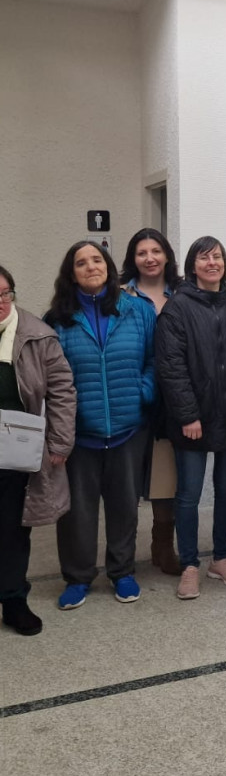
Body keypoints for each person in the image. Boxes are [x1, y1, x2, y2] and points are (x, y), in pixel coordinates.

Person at [46, 241, 156, 609]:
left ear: (108, 266)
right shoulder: (57, 320)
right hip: (80, 434)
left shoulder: (138, 310)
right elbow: (52, 379)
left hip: (129, 429)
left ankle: (122, 572)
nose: (91, 266)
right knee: (77, 512)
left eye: (97, 259)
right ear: (71, 273)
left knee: (125, 506)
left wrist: (142, 393)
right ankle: (77, 577)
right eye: (81, 262)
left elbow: (155, 361)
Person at [155, 236, 226, 600]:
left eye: (217, 257)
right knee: (189, 494)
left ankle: (223, 557)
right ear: (192, 265)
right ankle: (191, 564)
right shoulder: (177, 308)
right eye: (204, 257)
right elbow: (171, 367)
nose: (212, 262)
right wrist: (187, 414)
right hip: (192, 421)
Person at [0, 265, 76, 635]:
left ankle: (14, 599)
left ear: (13, 294)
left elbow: (62, 391)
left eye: (4, 293)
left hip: (18, 452)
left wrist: (60, 443)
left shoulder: (37, 335)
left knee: (14, 529)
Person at [120, 227, 181, 576]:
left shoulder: (182, 294)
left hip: (172, 401)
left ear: (167, 255)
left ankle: (163, 545)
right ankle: (123, 551)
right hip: (132, 395)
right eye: (141, 252)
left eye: (155, 251)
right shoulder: (120, 296)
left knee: (165, 478)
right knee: (126, 479)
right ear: (133, 259)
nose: (149, 258)